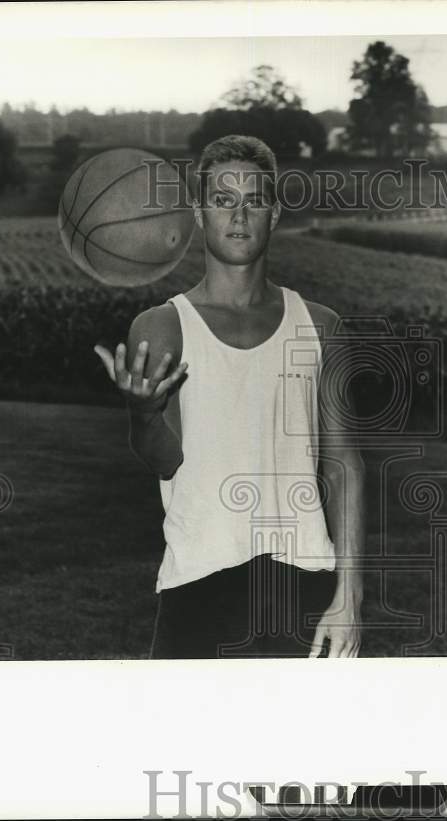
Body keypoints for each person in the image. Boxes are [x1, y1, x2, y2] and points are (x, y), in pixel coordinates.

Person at [93, 135, 365, 659]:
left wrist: (349, 595)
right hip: (199, 580)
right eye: (222, 200)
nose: (238, 215)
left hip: (303, 580)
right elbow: (164, 460)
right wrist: (143, 410)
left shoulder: (321, 326)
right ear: (199, 212)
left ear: (275, 214)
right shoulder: (163, 326)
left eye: (254, 200)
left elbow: (343, 467)